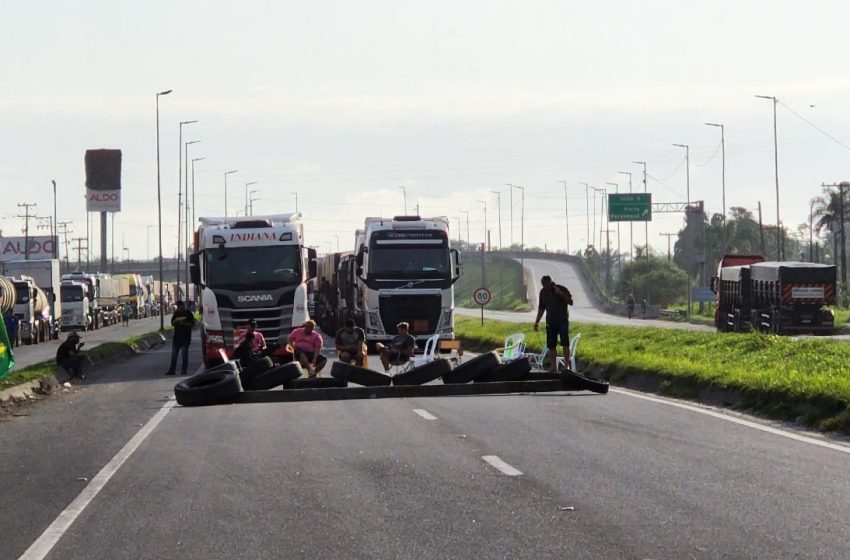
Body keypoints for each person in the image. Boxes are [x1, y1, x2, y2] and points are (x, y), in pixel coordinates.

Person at [533, 275, 573, 373]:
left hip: (562, 321)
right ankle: (553, 367)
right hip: (550, 322)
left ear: (551, 282)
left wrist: (561, 294)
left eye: (547, 285)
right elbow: (541, 308)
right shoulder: (542, 292)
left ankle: (566, 366)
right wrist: (537, 321)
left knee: (565, 343)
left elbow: (570, 302)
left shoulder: (562, 289)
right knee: (551, 345)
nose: (546, 287)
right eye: (543, 285)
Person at [165, 300, 196, 376]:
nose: (179, 308)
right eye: (178, 307)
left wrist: (185, 324)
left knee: (184, 355)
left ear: (183, 306)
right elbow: (172, 323)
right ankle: (172, 370)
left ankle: (184, 370)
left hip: (185, 337)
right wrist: (176, 322)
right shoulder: (176, 313)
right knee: (174, 355)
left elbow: (193, 323)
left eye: (180, 306)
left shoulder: (188, 313)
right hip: (177, 337)